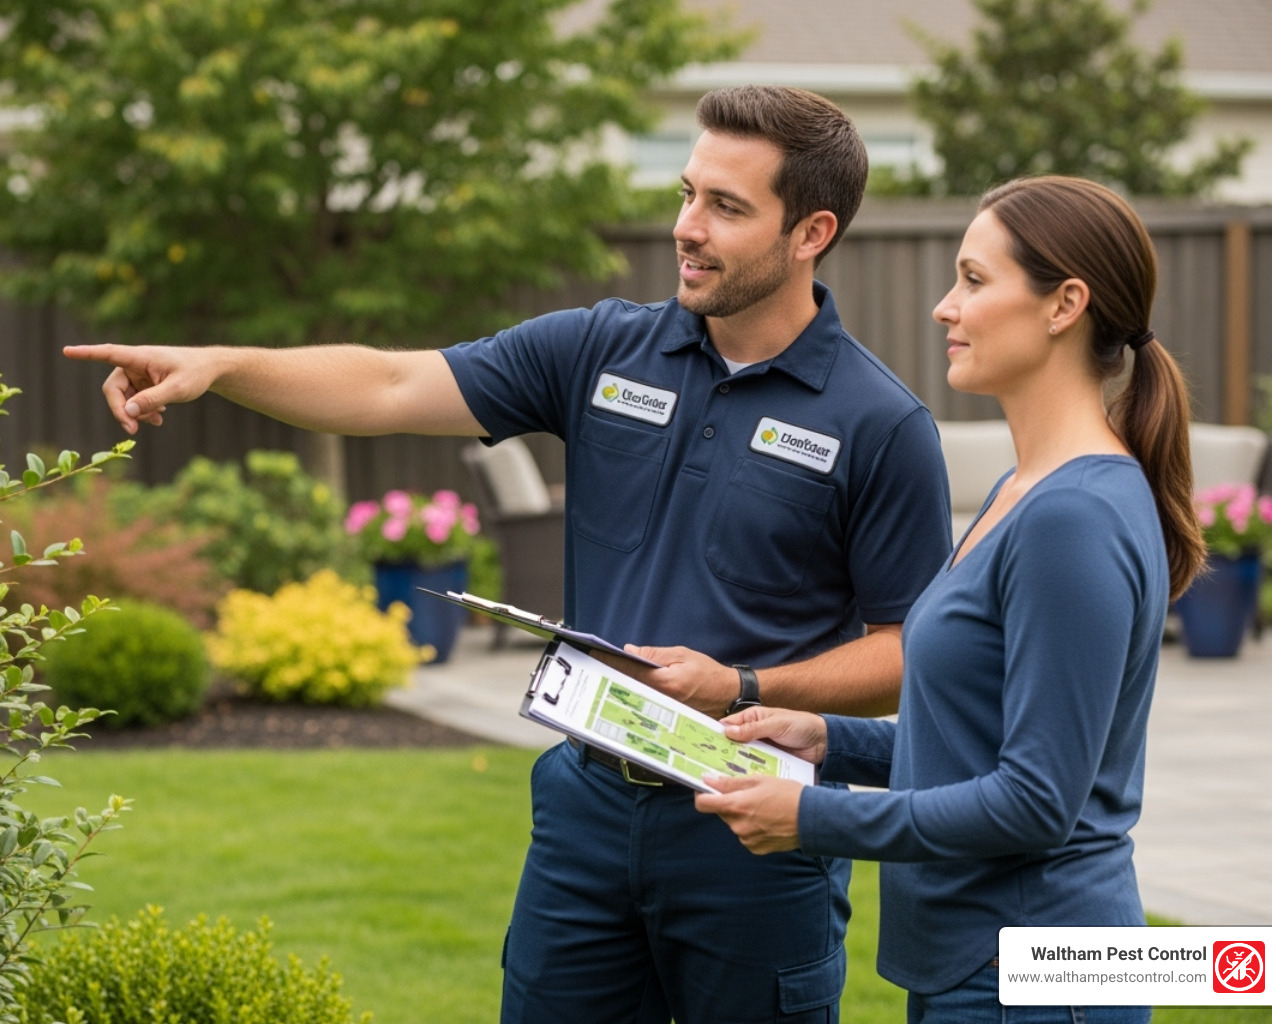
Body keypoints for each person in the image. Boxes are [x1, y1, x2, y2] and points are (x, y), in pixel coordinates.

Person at [65, 85, 953, 1024]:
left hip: (753, 831)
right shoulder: (604, 350)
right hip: (585, 809)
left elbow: (910, 655)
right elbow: (392, 385)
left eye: (727, 207)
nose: (688, 227)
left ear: (811, 232)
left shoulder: (879, 423)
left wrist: (742, 686)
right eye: (689, 193)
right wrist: (225, 366)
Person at [688, 175, 1206, 1023]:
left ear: (1063, 304)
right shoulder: (1025, 490)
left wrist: (812, 819)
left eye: (973, 279)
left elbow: (1036, 802)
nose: (943, 307)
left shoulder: (1071, 515)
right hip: (980, 965)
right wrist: (828, 740)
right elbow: (979, 747)